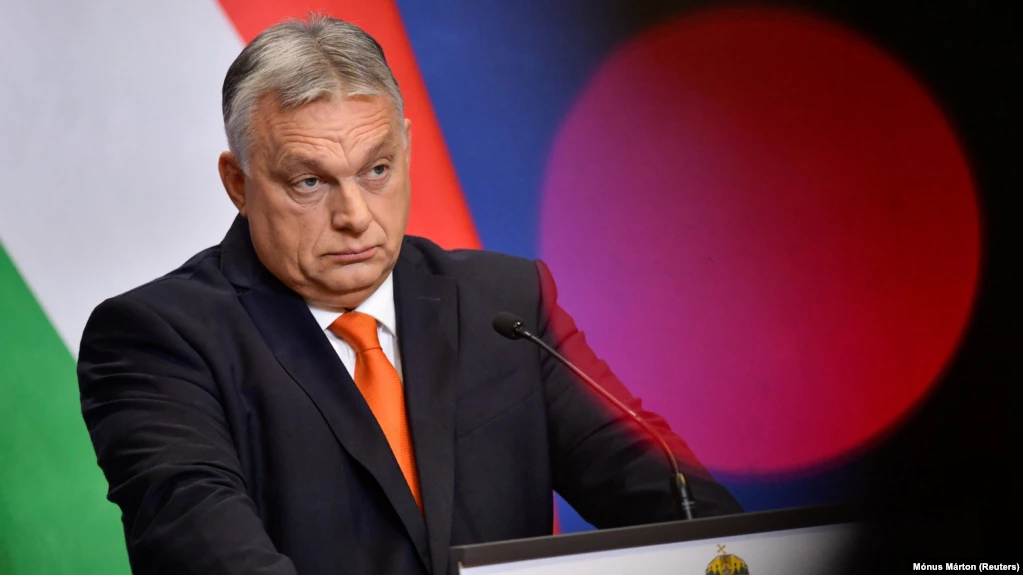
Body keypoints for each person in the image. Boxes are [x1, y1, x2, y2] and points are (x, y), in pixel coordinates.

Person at [77, 15, 741, 575]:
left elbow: (677, 506)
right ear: (239, 184)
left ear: (406, 148)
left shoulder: (502, 303)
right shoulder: (157, 339)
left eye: (377, 169)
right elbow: (212, 557)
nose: (355, 216)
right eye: (309, 182)